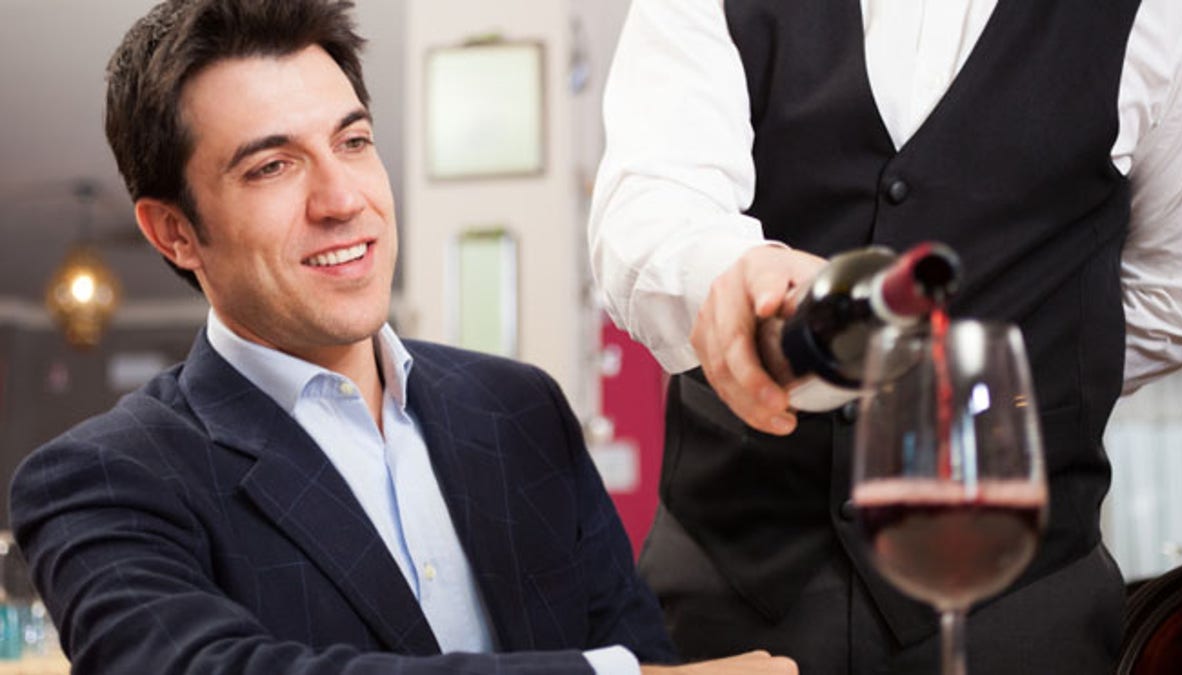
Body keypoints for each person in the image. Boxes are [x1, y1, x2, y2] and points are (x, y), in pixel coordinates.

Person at [7, 2, 804, 674]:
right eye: (273, 167)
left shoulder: (521, 410)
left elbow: (635, 643)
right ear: (175, 231)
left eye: (353, 142)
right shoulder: (100, 480)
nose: (342, 197)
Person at [588, 0, 1182, 673]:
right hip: (729, 597)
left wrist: (1016, 396)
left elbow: (1181, 287)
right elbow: (652, 201)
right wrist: (725, 285)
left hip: (1020, 612)